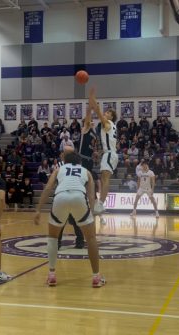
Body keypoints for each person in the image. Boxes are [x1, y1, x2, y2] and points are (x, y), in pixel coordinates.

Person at [33, 152, 105, 288]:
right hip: (79, 196)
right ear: (80, 163)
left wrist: (38, 209)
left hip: (60, 197)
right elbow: (91, 194)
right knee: (91, 238)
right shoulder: (86, 172)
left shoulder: (59, 169)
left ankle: (52, 274)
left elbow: (48, 188)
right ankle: (96, 276)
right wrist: (90, 212)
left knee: (53, 238)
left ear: (65, 162)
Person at [89, 87, 118, 215]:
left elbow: (97, 111)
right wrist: (100, 152)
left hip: (110, 154)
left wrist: (92, 97)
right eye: (105, 113)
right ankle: (101, 203)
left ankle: (100, 203)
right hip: (110, 154)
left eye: (107, 113)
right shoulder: (111, 126)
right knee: (104, 178)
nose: (104, 114)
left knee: (104, 179)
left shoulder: (107, 123)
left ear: (111, 116)